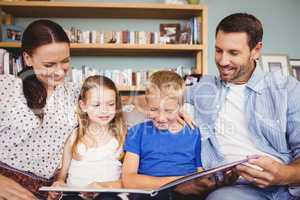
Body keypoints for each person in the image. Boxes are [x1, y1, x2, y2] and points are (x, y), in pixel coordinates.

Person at [182, 13, 300, 199]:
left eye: (233, 53)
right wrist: (174, 108)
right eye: (218, 50)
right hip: (237, 189)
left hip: (285, 187)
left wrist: (283, 175)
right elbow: (154, 98)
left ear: (256, 50)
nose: (222, 61)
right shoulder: (204, 88)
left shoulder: (287, 89)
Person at [0, 19, 79, 200]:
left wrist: (61, 180)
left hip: (47, 191)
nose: (59, 72)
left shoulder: (76, 93)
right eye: (49, 65)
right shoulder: (6, 87)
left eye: (65, 61)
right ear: (28, 58)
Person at [122, 71, 203, 200]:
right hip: (149, 195)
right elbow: (128, 180)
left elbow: (200, 174)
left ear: (180, 107)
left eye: (168, 111)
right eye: (154, 110)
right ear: (147, 104)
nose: (161, 118)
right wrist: (176, 183)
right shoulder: (137, 132)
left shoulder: (193, 132)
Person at [48, 75, 127, 200]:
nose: (104, 110)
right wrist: (59, 184)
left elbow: (129, 180)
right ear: (83, 106)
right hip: (75, 195)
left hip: (110, 194)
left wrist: (103, 186)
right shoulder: (74, 136)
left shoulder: (122, 136)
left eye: (111, 104)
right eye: (96, 105)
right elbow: (62, 177)